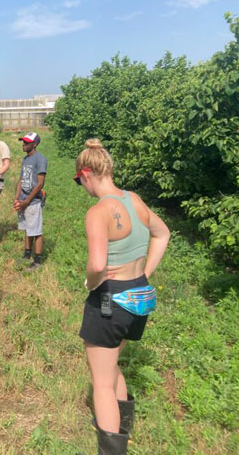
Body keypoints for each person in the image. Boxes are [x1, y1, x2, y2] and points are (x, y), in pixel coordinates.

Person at [74, 139, 169, 454]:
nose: (81, 186)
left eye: (78, 180)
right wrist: (144, 273)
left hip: (110, 301)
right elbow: (162, 233)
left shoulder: (98, 212)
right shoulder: (135, 200)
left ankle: (113, 446)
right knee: (111, 365)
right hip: (139, 298)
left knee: (100, 382)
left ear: (87, 173)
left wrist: (90, 282)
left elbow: (98, 264)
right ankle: (122, 427)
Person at [14, 132, 47, 271]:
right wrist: (17, 198)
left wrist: (27, 201)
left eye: (27, 142)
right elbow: (21, 180)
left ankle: (37, 260)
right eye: (23, 142)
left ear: (35, 144)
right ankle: (27, 254)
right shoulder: (25, 159)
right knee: (27, 228)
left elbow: (40, 184)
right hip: (23, 200)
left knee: (36, 230)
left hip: (33, 201)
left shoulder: (40, 159)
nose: (24, 144)